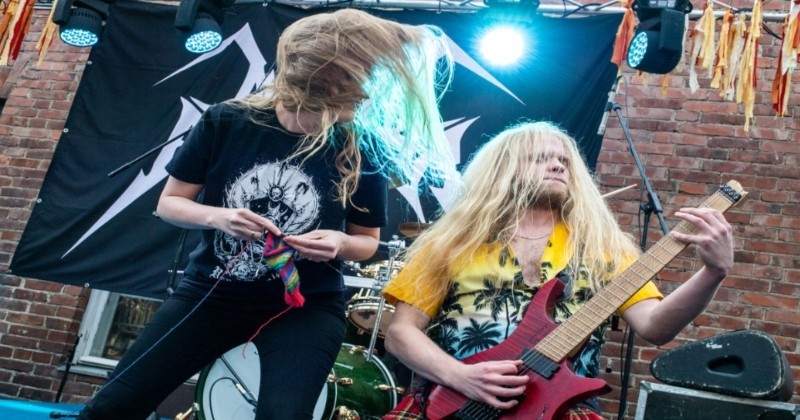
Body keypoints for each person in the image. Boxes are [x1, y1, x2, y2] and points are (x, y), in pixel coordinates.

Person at [78, 8, 454, 420]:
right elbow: (170, 204)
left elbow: (366, 242)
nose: (363, 94)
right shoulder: (227, 120)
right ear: (317, 82)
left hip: (305, 307)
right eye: (352, 84)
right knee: (114, 405)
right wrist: (219, 218)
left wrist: (340, 243)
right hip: (211, 294)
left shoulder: (360, 145)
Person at [381, 121, 734, 418]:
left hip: (561, 408)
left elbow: (655, 327)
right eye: (540, 158)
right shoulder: (451, 241)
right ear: (503, 170)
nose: (557, 165)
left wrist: (712, 273)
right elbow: (400, 333)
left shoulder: (603, 247)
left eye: (564, 160)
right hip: (456, 403)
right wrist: (460, 376)